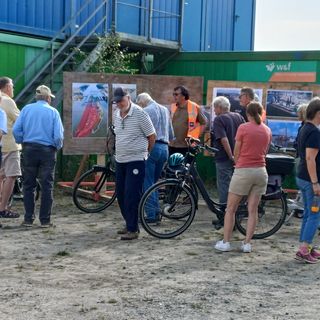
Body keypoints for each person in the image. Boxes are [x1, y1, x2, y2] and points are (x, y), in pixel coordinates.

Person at [215, 102, 272, 253]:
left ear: (248, 114)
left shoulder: (243, 128)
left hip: (244, 171)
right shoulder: (267, 130)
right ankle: (247, 244)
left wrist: (237, 162)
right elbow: (265, 152)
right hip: (261, 171)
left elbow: (237, 150)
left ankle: (226, 242)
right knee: (252, 210)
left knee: (230, 208)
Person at [12, 85, 64, 228]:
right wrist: (56, 147)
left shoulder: (26, 109)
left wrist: (22, 141)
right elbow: (58, 136)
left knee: (28, 185)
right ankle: (45, 220)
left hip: (29, 149)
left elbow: (16, 130)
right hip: (48, 150)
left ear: (36, 97)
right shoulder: (53, 112)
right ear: (48, 98)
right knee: (47, 186)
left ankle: (28, 219)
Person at [113, 87, 156, 240]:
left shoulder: (139, 113)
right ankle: (129, 223)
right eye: (117, 101)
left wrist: (145, 153)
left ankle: (133, 229)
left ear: (129, 97)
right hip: (121, 159)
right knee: (121, 194)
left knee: (132, 194)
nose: (119, 104)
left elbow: (152, 136)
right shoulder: (116, 114)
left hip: (136, 160)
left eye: (121, 100)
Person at [136, 93, 174, 222]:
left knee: (147, 183)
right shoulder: (165, 109)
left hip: (153, 147)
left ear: (142, 102)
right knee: (154, 183)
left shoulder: (146, 110)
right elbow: (171, 133)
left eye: (140, 104)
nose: (140, 106)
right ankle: (156, 212)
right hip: (165, 149)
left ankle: (152, 215)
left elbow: (142, 132)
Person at [294, 98, 320, 263]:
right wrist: (315, 183)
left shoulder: (305, 128)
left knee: (309, 214)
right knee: (315, 216)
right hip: (311, 180)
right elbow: (310, 158)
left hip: (302, 177)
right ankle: (304, 249)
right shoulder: (314, 132)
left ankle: (307, 248)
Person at [211, 96, 245, 204]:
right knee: (238, 186)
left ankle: (224, 215)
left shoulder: (219, 119)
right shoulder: (239, 117)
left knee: (224, 185)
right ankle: (238, 211)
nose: (214, 111)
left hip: (224, 157)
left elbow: (223, 139)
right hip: (240, 158)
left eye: (215, 108)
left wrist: (231, 156)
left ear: (219, 107)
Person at [0, 77, 21, 218]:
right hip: (9, 144)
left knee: (1, 176)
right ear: (7, 87)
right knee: (11, 176)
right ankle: (3, 208)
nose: (13, 89)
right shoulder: (7, 101)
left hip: (1, 145)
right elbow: (20, 120)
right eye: (12, 86)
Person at [169, 85, 207, 156]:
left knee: (185, 166)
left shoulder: (194, 107)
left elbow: (204, 123)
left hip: (187, 146)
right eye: (173, 94)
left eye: (176, 94)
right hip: (172, 145)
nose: (174, 96)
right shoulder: (173, 107)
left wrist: (196, 138)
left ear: (184, 96)